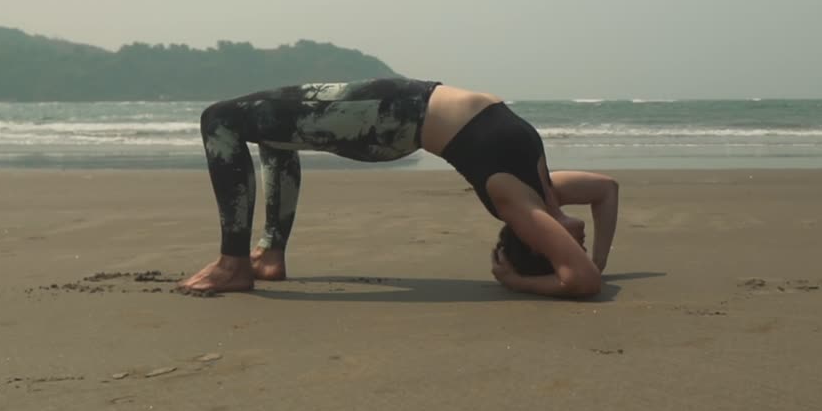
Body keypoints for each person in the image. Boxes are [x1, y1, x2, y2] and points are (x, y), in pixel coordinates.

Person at [178, 78, 619, 299]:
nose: (577, 247)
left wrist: (517, 279)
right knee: (275, 133)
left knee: (220, 118)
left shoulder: (518, 203)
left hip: (391, 118)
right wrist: (598, 257)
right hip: (397, 108)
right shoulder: (549, 193)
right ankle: (268, 255)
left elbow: (581, 281)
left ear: (536, 239)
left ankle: (233, 264)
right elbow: (608, 190)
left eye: (568, 247)